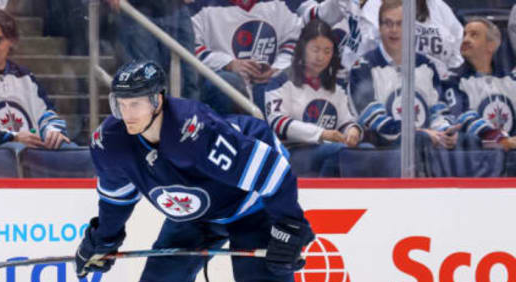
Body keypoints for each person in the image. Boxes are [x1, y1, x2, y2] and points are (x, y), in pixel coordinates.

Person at [75, 60, 314, 282]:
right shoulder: (111, 142)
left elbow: (272, 171)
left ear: (157, 100)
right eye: (120, 104)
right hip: (193, 216)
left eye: (136, 104)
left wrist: (288, 225)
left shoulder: (195, 132)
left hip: (251, 206)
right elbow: (116, 198)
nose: (127, 114)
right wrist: (104, 240)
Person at [348, 0, 457, 149]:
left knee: (466, 140)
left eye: (400, 24)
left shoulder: (426, 65)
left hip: (427, 150)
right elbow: (374, 121)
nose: (394, 30)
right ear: (379, 28)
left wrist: (445, 131)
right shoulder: (362, 68)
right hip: (383, 152)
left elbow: (438, 110)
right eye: (388, 23)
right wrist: (421, 134)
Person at [0, 8, 70, 149]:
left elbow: (46, 111)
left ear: (11, 41)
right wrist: (14, 137)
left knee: (70, 148)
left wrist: (53, 130)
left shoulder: (25, 76)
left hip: (34, 148)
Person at [264, 19, 363, 177]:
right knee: (340, 152)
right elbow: (278, 122)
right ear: (302, 48)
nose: (321, 57)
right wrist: (321, 134)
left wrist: (353, 131)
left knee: (366, 150)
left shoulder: (337, 86)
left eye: (327, 51)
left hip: (330, 148)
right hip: (292, 151)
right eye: (315, 50)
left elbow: (346, 120)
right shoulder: (280, 81)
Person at [190, 0, 303, 115]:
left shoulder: (278, 4)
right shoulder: (202, 6)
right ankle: (230, 130)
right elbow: (190, 48)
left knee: (280, 82)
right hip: (226, 84)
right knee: (227, 82)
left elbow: (296, 40)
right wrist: (228, 64)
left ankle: (272, 131)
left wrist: (277, 68)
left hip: (268, 83)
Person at [445, 18, 516, 151]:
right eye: (464, 35)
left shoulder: (510, 80)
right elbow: (462, 117)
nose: (465, 39)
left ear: (491, 45)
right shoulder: (453, 80)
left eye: (474, 35)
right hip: (475, 159)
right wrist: (500, 139)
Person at [106, 0, 199, 99]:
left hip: (176, 8)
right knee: (148, 81)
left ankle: (189, 114)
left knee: (189, 80)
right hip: (136, 10)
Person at [362, 0, 463, 79]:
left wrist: (447, 78)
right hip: (390, 86)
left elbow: (459, 47)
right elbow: (367, 48)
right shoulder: (375, 5)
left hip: (437, 86)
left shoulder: (437, 5)